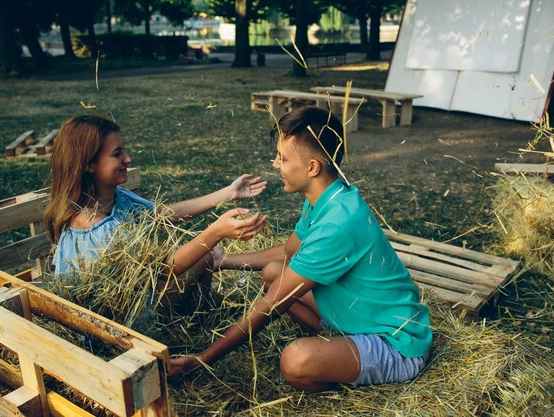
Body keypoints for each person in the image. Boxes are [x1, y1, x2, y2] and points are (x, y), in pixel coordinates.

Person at [168, 106, 432, 391]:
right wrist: (222, 260)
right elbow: (287, 253)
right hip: (358, 317)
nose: (275, 164)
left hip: (395, 343)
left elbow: (269, 307)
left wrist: (203, 358)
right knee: (272, 273)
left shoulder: (338, 224)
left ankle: (342, 363)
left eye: (282, 158)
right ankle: (338, 348)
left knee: (296, 361)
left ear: (312, 167)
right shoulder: (326, 197)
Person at [44, 114, 268, 312]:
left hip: (138, 297)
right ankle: (192, 325)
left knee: (205, 255)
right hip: (126, 323)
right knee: (205, 254)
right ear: (89, 165)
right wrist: (215, 233)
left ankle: (198, 319)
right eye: (117, 153)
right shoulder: (98, 229)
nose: (128, 159)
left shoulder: (116, 198)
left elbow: (163, 214)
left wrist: (228, 193)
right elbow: (164, 270)